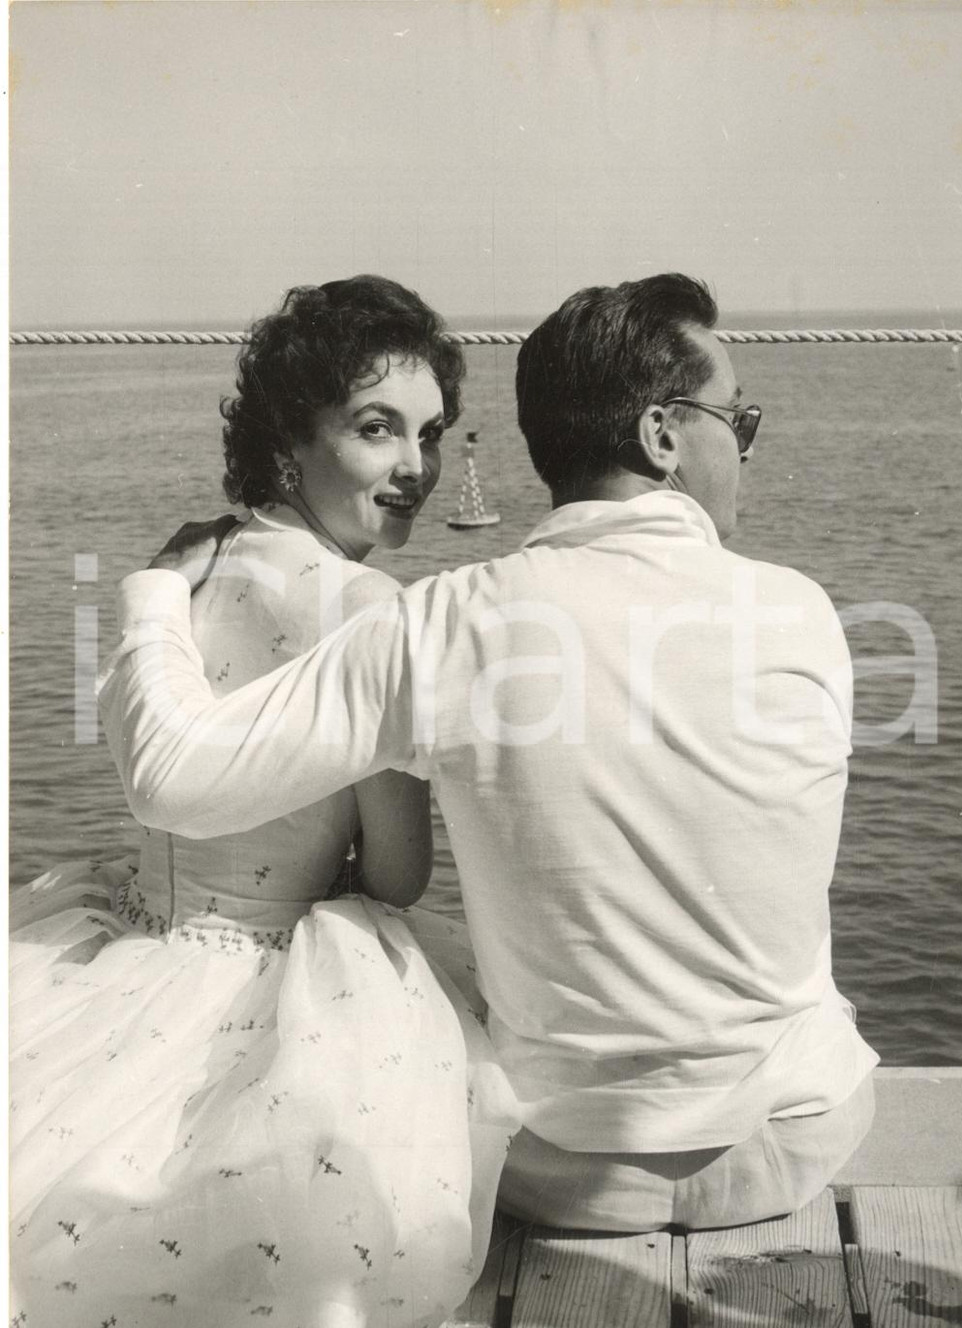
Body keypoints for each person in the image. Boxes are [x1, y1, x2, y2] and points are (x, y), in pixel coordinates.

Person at [95, 272, 879, 1236]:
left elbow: (173, 780)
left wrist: (152, 595)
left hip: (565, 1171)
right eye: (741, 422)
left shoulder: (447, 622)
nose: (749, 450)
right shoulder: (804, 613)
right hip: (796, 1142)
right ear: (663, 437)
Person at [8, 276, 521, 1328]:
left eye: (430, 433)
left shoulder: (188, 564)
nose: (416, 467)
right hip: (272, 976)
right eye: (379, 428)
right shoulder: (371, 606)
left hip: (120, 949)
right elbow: (397, 873)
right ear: (292, 438)